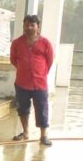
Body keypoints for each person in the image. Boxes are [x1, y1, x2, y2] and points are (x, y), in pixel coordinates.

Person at [9, 14, 54, 146]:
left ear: (38, 27)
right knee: (23, 108)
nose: (29, 27)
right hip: (22, 83)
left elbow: (49, 61)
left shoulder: (45, 43)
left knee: (42, 109)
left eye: (32, 25)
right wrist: (24, 70)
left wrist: (40, 73)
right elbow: (13, 60)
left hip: (40, 83)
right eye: (26, 25)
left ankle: (43, 136)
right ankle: (25, 132)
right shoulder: (16, 43)